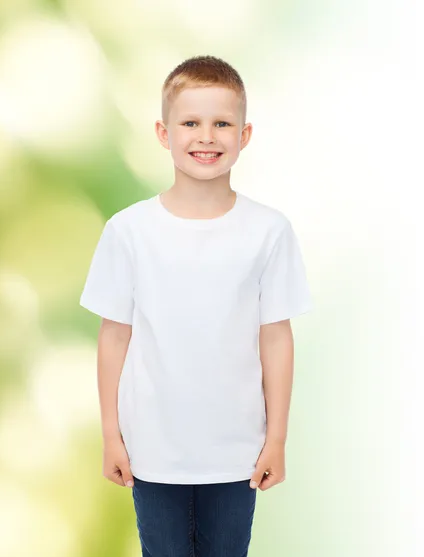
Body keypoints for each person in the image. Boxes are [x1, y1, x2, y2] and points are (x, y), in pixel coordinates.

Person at [79, 55, 313, 557]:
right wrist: (110, 435)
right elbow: (113, 336)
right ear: (164, 134)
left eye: (221, 124)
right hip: (153, 450)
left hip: (237, 452)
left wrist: (277, 438)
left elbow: (276, 338)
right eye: (190, 123)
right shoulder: (129, 231)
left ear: (244, 134)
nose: (206, 137)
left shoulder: (269, 231)